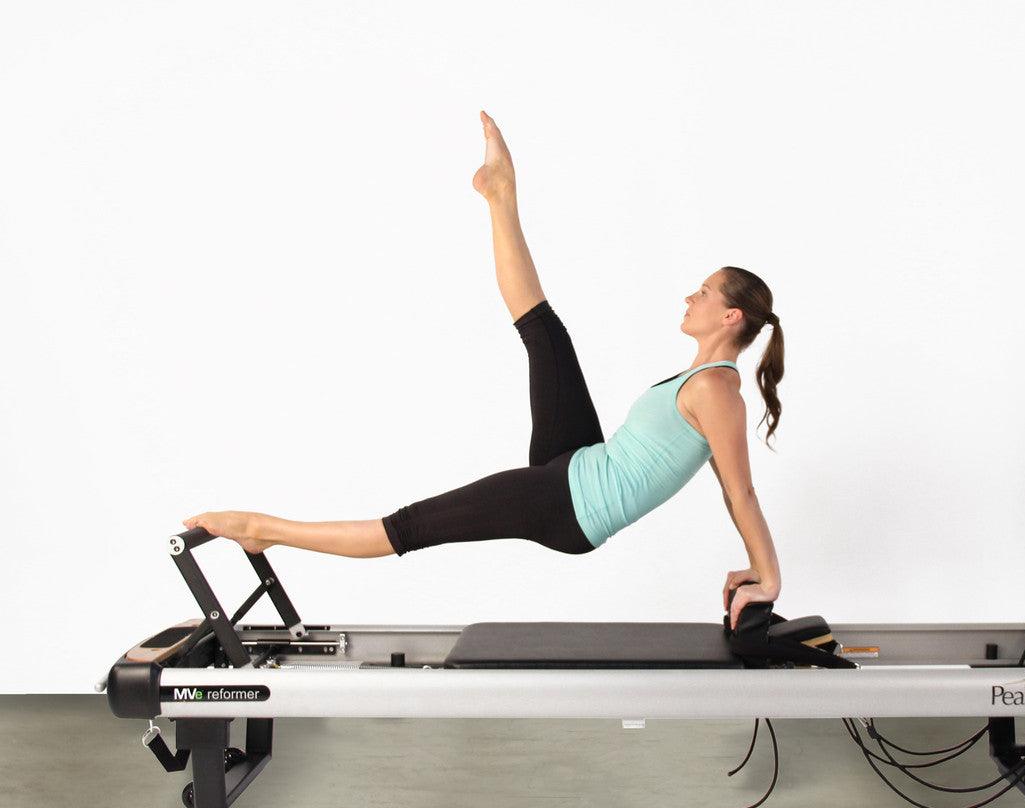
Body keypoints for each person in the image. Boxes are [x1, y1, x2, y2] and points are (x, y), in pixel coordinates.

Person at [183, 111, 785, 629]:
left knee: (409, 526)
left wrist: (768, 578)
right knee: (544, 332)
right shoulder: (703, 381)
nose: (689, 297)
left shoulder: (717, 390)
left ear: (730, 316)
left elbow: (740, 493)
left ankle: (263, 528)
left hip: (569, 507)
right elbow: (723, 484)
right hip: (577, 461)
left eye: (704, 293)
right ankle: (501, 194)